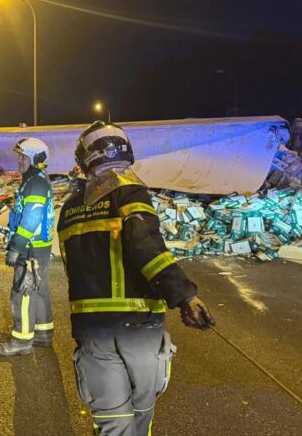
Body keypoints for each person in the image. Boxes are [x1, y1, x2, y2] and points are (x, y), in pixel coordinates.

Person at [57, 121, 215, 435]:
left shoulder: (71, 207)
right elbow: (146, 245)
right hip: (139, 325)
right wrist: (185, 297)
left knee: (112, 422)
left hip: (92, 328)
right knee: (141, 411)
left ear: (85, 158)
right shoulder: (130, 193)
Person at [0, 137, 55, 356]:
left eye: (22, 156)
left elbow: (31, 219)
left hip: (30, 247)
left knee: (23, 291)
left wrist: (16, 246)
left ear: (35, 158)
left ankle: (21, 341)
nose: (19, 160)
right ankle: (43, 333)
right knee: (40, 290)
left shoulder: (36, 182)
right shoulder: (34, 180)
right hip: (39, 246)